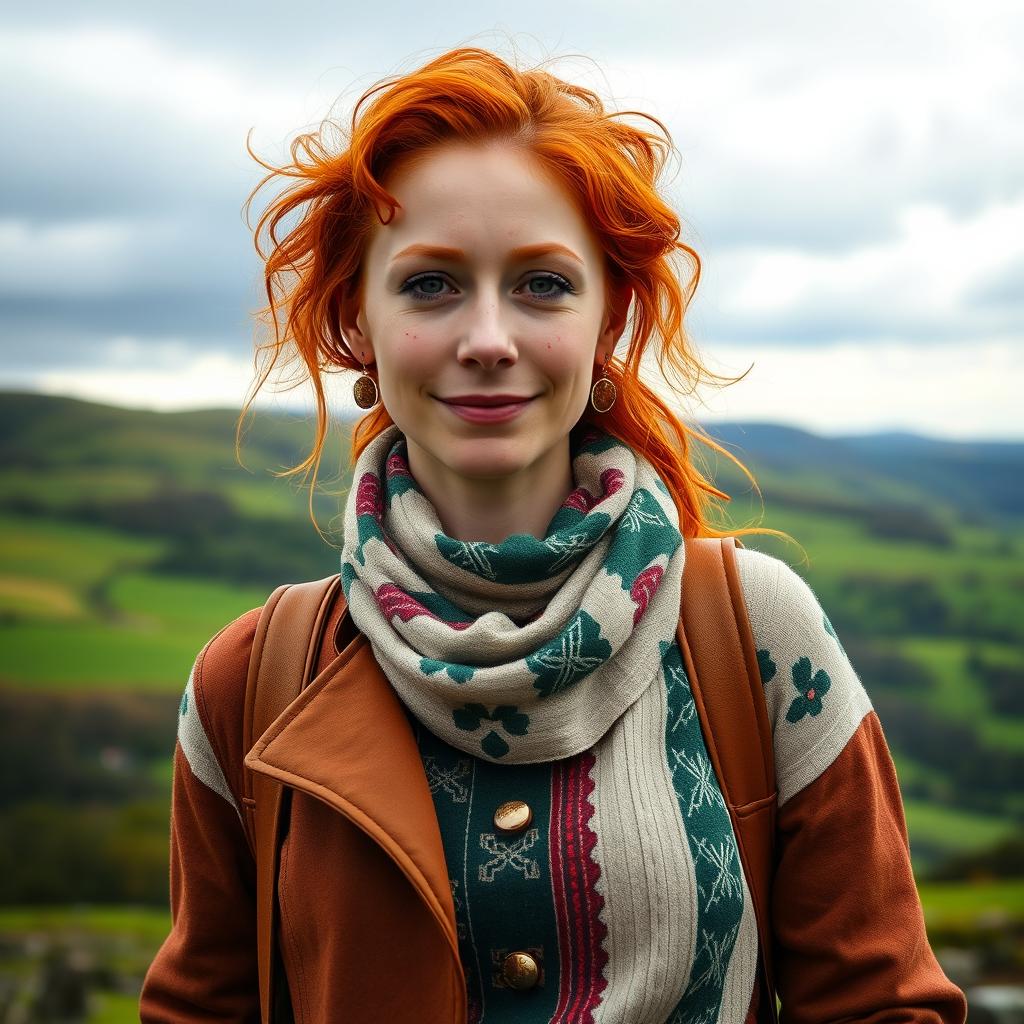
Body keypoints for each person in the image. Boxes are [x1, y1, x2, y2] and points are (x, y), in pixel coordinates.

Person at [139, 45, 968, 1024]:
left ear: (605, 318)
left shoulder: (758, 639)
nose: (487, 337)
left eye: (541, 284)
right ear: (353, 323)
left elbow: (880, 1006)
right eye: (430, 285)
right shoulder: (249, 686)